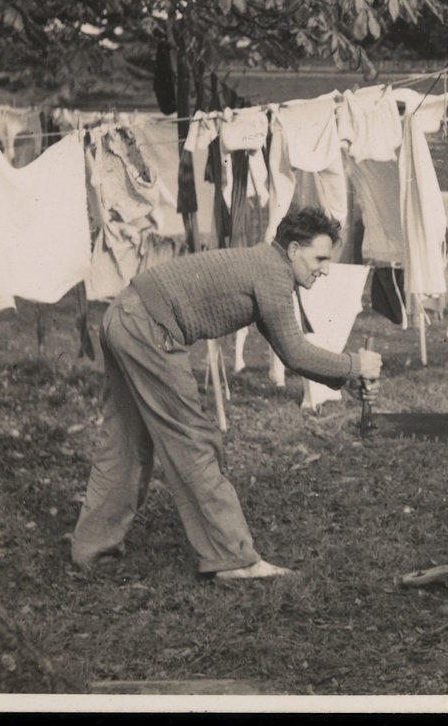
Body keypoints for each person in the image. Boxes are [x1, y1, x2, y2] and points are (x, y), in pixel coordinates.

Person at [70, 207, 382, 580]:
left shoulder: (264, 263)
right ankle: (233, 560)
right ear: (294, 249)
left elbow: (289, 351)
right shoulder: (272, 273)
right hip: (147, 327)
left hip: (123, 315)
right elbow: (296, 352)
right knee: (194, 440)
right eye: (320, 258)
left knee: (126, 440)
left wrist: (347, 378)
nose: (325, 269)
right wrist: (355, 366)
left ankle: (92, 548)